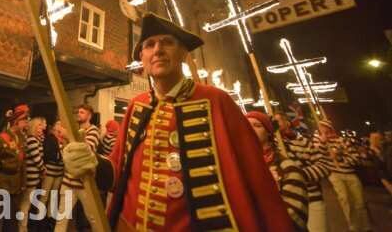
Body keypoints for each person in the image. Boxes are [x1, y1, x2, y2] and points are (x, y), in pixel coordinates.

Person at [62, 13, 295, 231]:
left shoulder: (216, 100)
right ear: (142, 59)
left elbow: (257, 181)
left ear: (184, 53)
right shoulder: (137, 105)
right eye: (149, 45)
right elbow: (119, 173)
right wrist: (92, 163)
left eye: (167, 42)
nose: (158, 50)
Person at [246, 111, 308, 230]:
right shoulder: (241, 167)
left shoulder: (286, 167)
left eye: (257, 125)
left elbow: (296, 216)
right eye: (246, 125)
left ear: (268, 133)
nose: (250, 129)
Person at [275, 111, 330, 232]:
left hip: (312, 198)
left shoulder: (303, 141)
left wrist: (298, 176)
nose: (274, 124)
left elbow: (324, 166)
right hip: (287, 201)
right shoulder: (274, 146)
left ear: (287, 123)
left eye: (277, 121)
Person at [315, 119, 371, 232]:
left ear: (329, 128)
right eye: (321, 128)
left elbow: (355, 157)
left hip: (350, 174)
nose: (322, 130)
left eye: (324, 127)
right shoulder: (321, 143)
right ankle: (353, 226)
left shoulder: (342, 141)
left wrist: (340, 157)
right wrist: (322, 143)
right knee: (345, 201)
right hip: (335, 174)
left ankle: (366, 227)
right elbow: (318, 156)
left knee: (359, 202)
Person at [0, 103, 30, 232]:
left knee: (11, 220)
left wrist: (23, 182)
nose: (26, 123)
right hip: (1, 183)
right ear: (16, 121)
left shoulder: (22, 138)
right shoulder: (0, 138)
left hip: (15, 185)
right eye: (24, 120)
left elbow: (23, 163)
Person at [54, 104, 100, 232]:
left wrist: (67, 136)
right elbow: (66, 154)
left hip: (85, 183)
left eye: (82, 112)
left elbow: (86, 150)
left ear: (89, 115)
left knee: (94, 219)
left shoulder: (93, 130)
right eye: (78, 112)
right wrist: (63, 140)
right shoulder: (74, 131)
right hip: (68, 180)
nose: (79, 114)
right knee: (61, 218)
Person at [18, 117, 46, 232]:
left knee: (26, 205)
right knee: (24, 205)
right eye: (39, 125)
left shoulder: (35, 139)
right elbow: (37, 159)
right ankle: (22, 228)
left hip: (33, 177)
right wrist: (43, 169)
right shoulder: (31, 140)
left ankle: (22, 227)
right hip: (30, 176)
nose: (42, 127)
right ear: (34, 126)